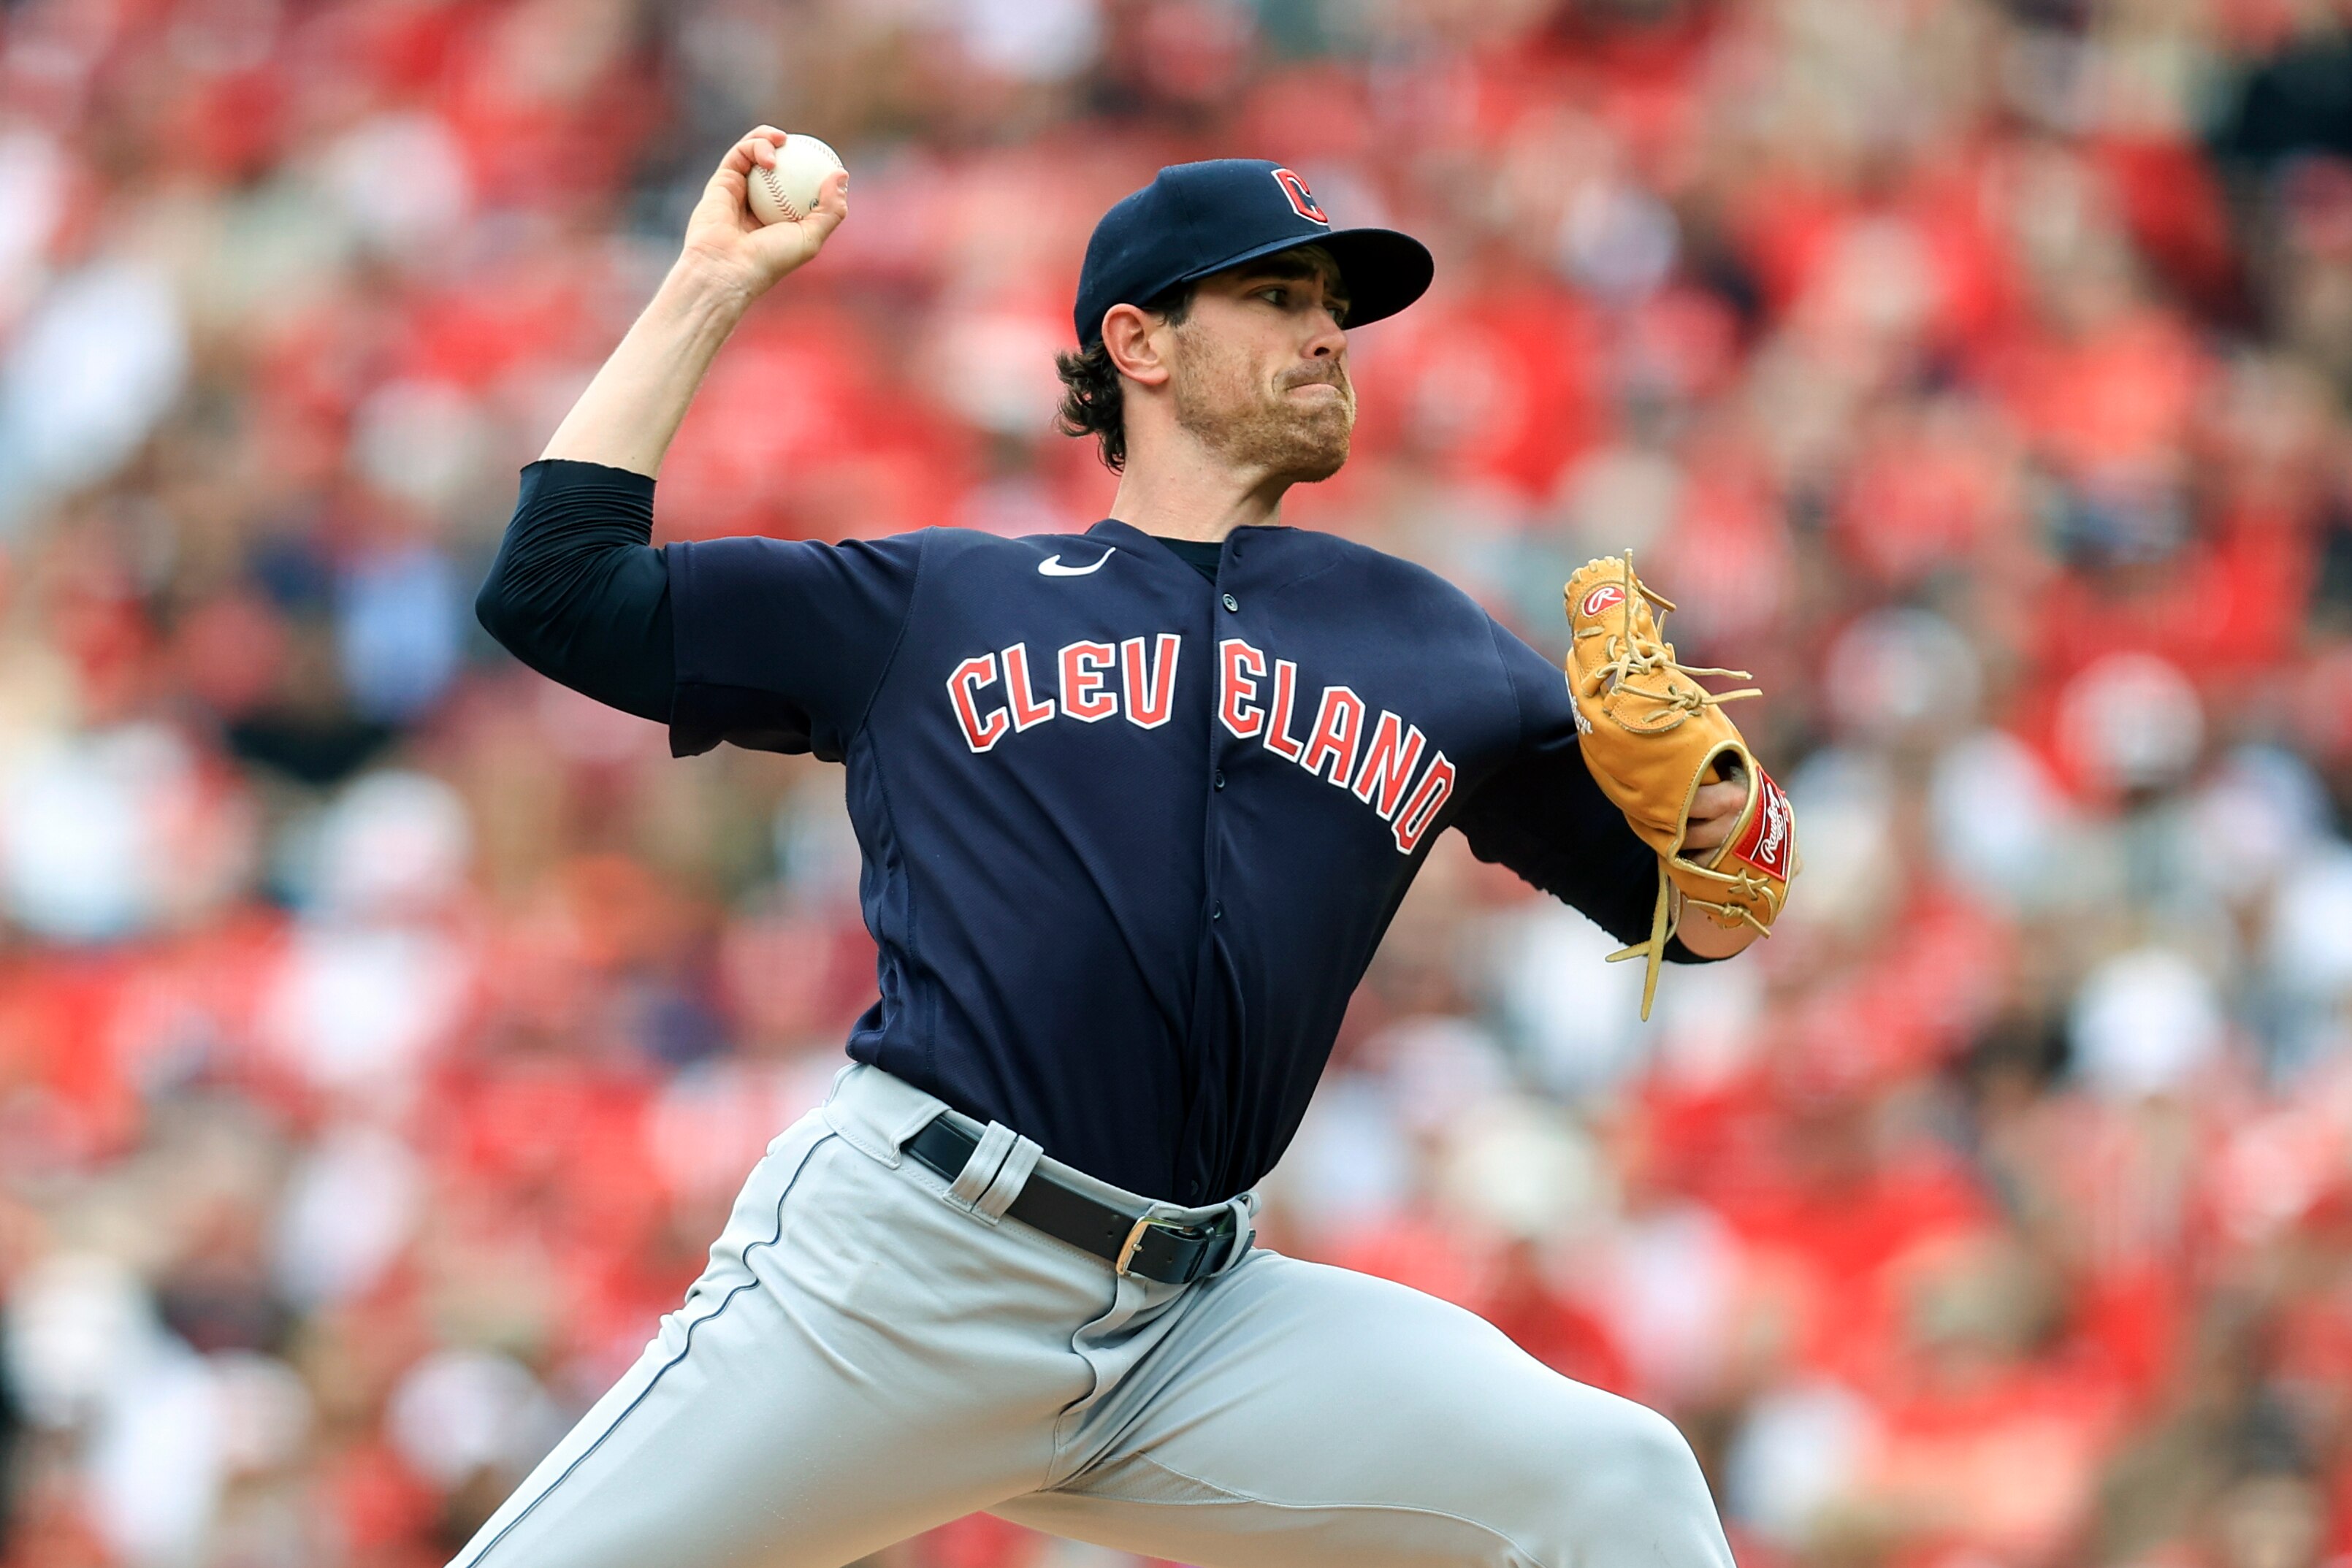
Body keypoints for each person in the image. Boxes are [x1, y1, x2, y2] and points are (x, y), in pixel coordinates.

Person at [457, 126, 1757, 1568]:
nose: (1328, 332)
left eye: (1335, 305)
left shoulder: (1431, 641)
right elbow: (554, 591)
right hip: (904, 1277)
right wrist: (709, 281)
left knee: (1611, 1481)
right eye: (1276, 297)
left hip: (1196, 1328)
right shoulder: (937, 602)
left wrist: (1724, 826)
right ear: (1136, 343)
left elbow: (1696, 918)